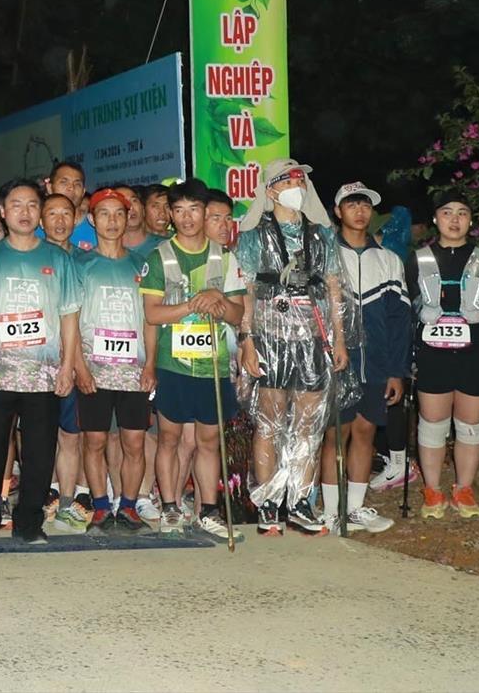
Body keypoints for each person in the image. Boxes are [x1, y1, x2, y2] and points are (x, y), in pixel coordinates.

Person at [236, 160, 348, 536]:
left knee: (307, 426)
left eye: (300, 181)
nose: (296, 187)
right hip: (270, 339)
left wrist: (339, 339)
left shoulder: (321, 235)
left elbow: (334, 288)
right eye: (287, 181)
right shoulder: (254, 235)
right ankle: (268, 502)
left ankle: (300, 501)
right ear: (271, 190)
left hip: (312, 340)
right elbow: (246, 290)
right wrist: (247, 341)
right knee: (269, 422)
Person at [0, 180, 79, 543]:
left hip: (43, 375)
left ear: (39, 212)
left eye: (32, 205)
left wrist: (67, 366)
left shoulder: (58, 259)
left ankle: (29, 522)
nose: (25, 212)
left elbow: (69, 316)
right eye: (16, 205)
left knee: (39, 452)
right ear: (3, 211)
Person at [140, 179, 246, 539]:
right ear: (171, 215)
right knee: (169, 438)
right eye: (179, 210)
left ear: (205, 212)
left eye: (194, 209)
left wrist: (219, 300)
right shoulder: (160, 257)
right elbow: (152, 314)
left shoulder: (224, 257)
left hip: (213, 364)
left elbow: (238, 314)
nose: (187, 218)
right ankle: (170, 507)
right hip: (173, 364)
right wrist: (192, 304)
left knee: (208, 441)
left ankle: (209, 511)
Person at [410, 190, 479, 520]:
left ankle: (464, 489)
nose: (454, 219)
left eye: (462, 212)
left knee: (470, 425)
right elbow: (406, 312)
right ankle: (433, 490)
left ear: (470, 220)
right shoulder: (418, 259)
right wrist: (405, 357)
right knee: (432, 424)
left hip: (475, 353)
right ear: (435, 218)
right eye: (447, 212)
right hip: (431, 354)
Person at [320, 182, 409, 533]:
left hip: (376, 361)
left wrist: (397, 370)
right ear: (337, 211)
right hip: (336, 360)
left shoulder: (388, 260)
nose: (359, 211)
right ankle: (330, 513)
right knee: (334, 434)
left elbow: (399, 321)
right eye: (351, 204)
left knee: (365, 430)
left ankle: (355, 509)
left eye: (365, 205)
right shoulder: (325, 256)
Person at [73, 188, 157, 530]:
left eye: (119, 213)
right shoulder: (80, 264)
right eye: (104, 214)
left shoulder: (142, 265)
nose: (112, 221)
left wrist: (150, 364)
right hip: (93, 368)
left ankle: (129, 506)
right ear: (92, 220)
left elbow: (151, 319)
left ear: (127, 218)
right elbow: (69, 320)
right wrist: (79, 367)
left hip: (134, 371)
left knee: (134, 441)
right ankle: (100, 506)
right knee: (94, 440)